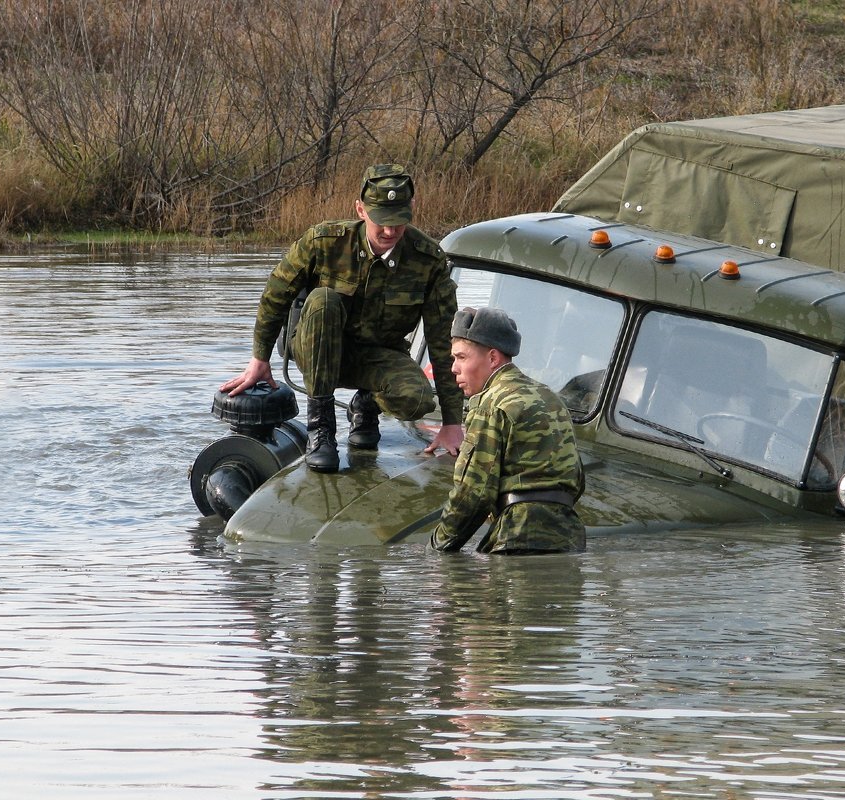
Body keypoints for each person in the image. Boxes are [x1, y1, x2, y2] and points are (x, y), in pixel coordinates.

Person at [220, 164, 465, 473]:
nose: (390, 232)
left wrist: (452, 422)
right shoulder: (323, 243)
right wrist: (260, 359)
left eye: (399, 222)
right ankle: (321, 426)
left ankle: (365, 405)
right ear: (360, 210)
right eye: (382, 222)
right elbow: (275, 295)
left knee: (416, 400)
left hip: (377, 355)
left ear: (412, 209)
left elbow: (443, 339)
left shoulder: (427, 260)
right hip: (316, 349)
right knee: (324, 300)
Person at [431, 307, 585, 554]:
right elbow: (576, 478)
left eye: (461, 357)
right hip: (569, 538)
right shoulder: (550, 397)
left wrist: (436, 548)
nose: (453, 369)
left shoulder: (491, 404)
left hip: (516, 539)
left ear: (492, 358)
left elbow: (474, 493)